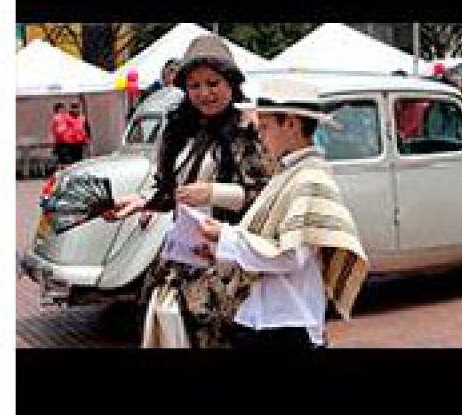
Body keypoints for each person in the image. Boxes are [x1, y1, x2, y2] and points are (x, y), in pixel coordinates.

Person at [101, 35, 270, 347]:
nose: (204, 93)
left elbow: (264, 197)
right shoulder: (179, 130)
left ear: (231, 84)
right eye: (195, 86)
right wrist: (140, 203)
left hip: (228, 259)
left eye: (213, 83)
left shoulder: (248, 131)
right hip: (181, 255)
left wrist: (214, 193)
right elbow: (173, 193)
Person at [190, 76, 369, 351]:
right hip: (265, 318)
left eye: (265, 127)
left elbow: (290, 255)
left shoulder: (310, 179)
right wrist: (219, 250)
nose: (260, 136)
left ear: (292, 124)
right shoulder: (288, 173)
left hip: (287, 322)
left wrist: (225, 236)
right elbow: (267, 242)